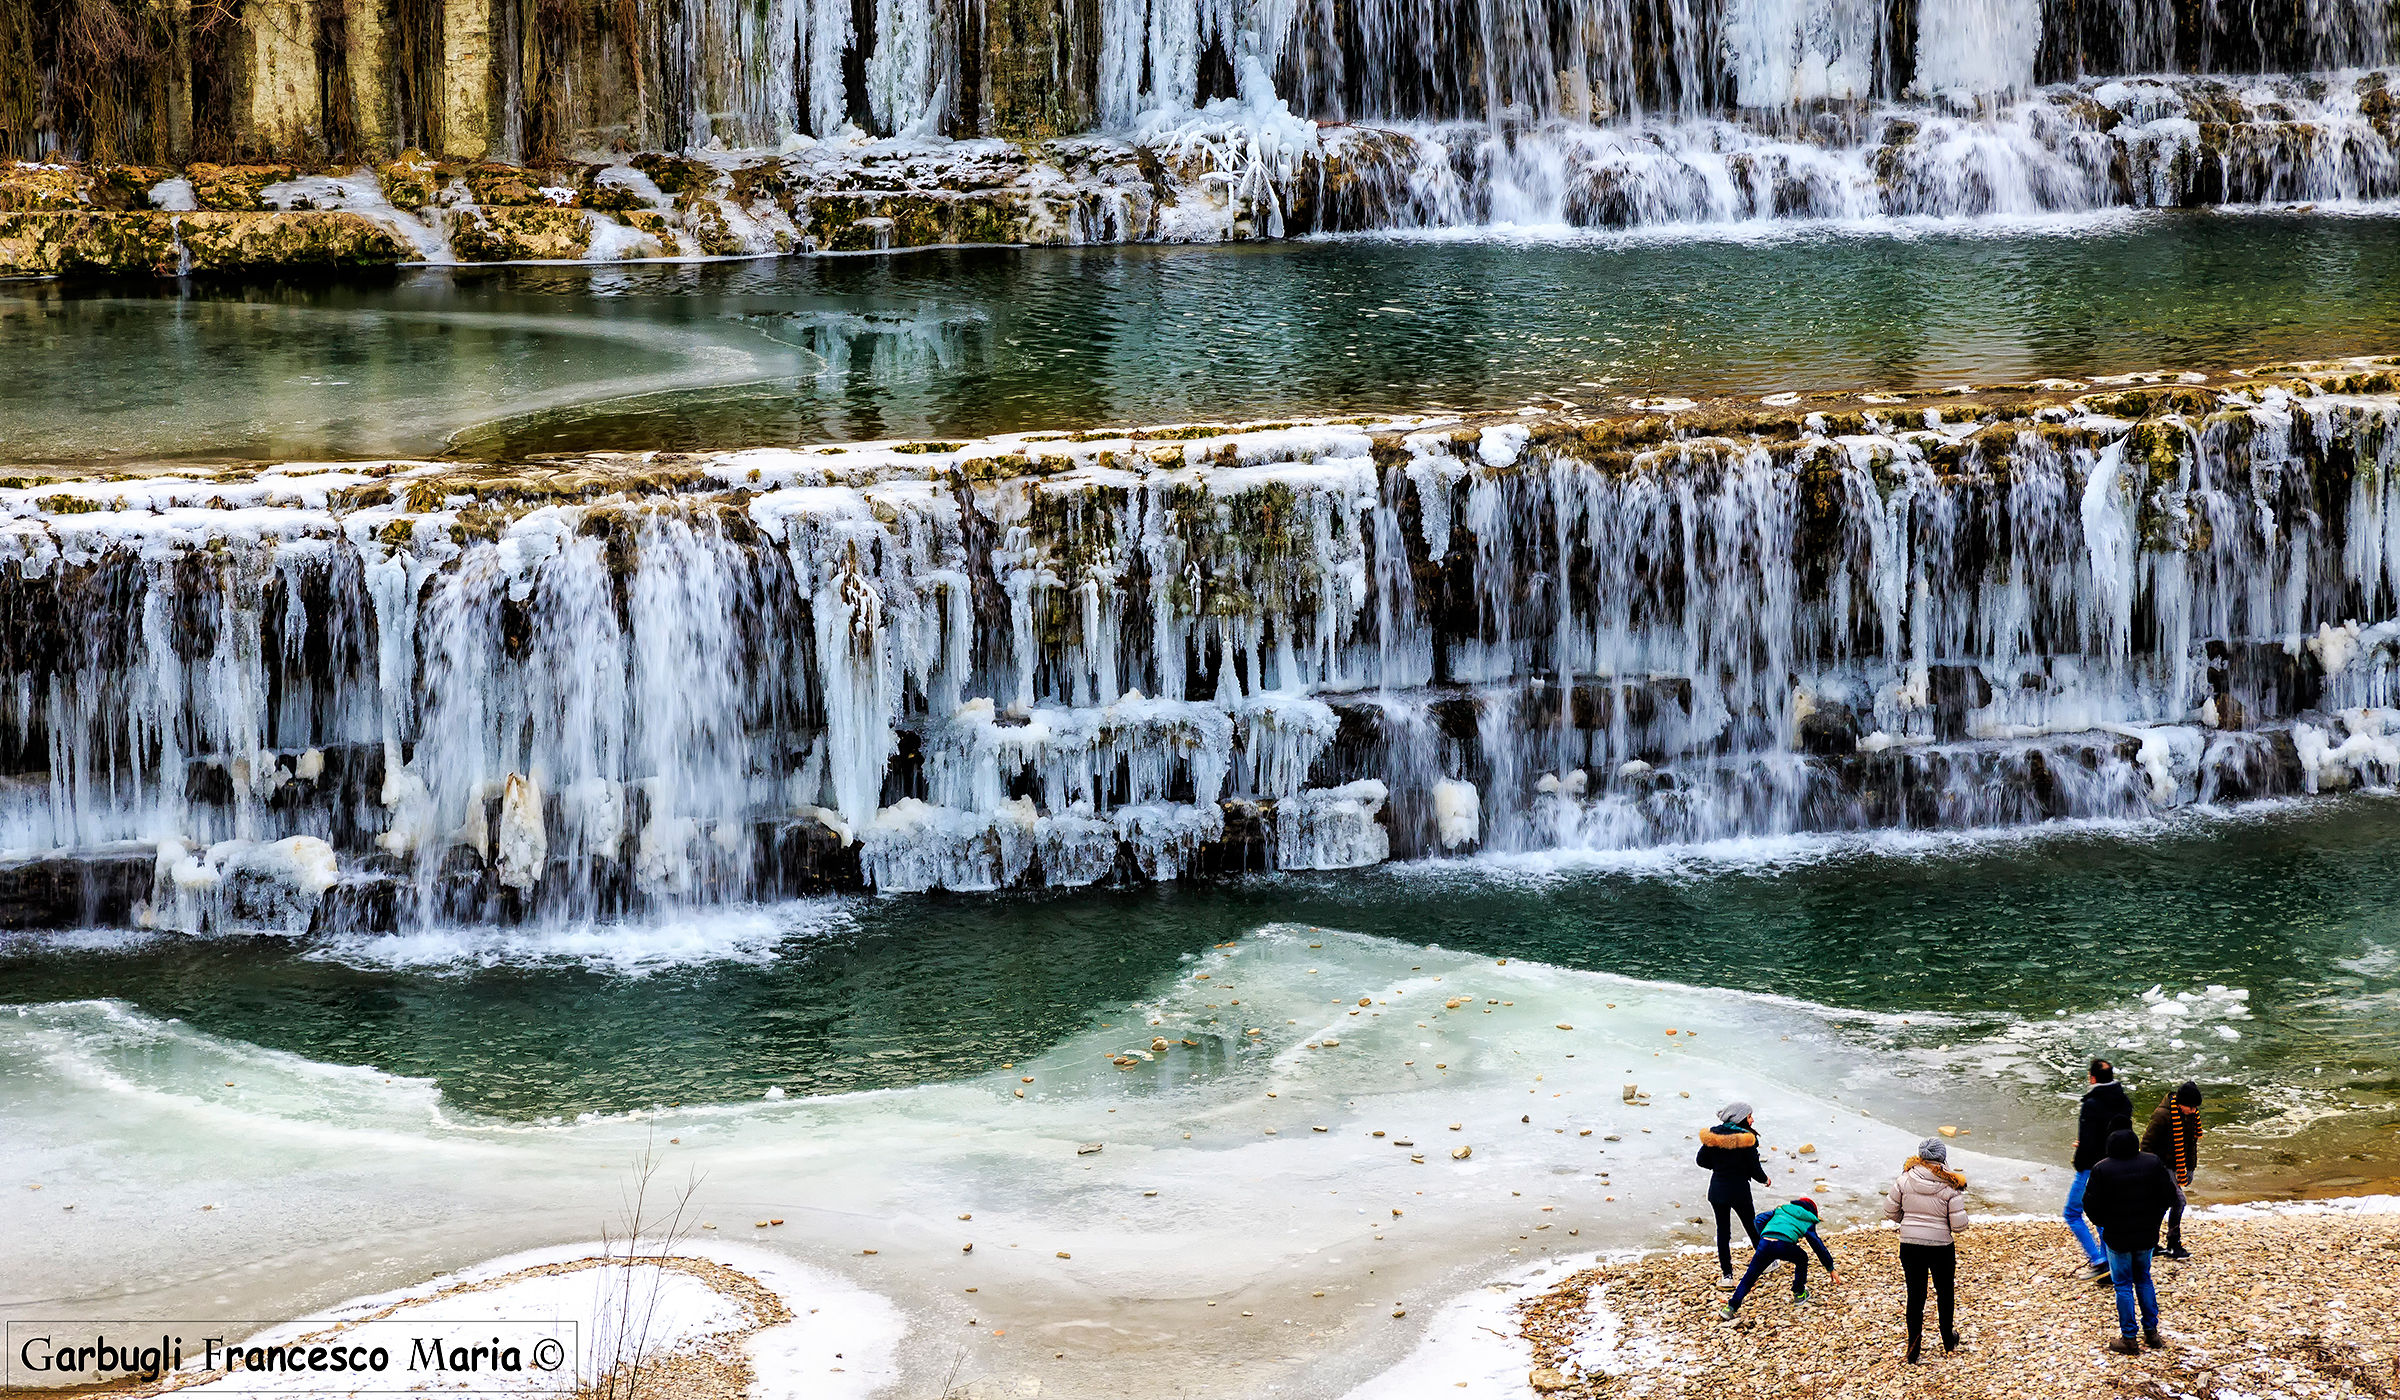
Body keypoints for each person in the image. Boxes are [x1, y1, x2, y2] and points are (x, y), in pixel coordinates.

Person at [2081, 1126, 2180, 1354]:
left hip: (2117, 1237)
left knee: (2123, 1285)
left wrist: (2104, 1223)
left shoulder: (2102, 1168)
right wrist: (2155, 1219)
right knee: (2144, 1279)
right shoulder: (2152, 1162)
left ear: (2110, 1147)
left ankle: (2129, 1338)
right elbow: (2169, 1196)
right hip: (2146, 1234)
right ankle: (2152, 1333)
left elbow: (2090, 1205)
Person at [1883, 1136, 1969, 1363]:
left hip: (1910, 1245)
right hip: (1941, 1247)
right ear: (1943, 1157)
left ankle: (1913, 1350)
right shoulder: (1951, 1185)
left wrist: (1909, 1222)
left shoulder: (1904, 1179)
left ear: (1920, 1156)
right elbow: (1959, 1226)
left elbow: (1890, 1211)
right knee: (1945, 1292)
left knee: (1915, 1295)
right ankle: (1948, 1340)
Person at [2066, 1058, 2133, 1279]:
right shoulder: (2124, 1101)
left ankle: (2098, 1260)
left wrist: (2079, 1161)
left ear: (2092, 1078)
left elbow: (2088, 1139)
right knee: (2103, 1214)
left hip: (2091, 1167)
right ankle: (2110, 1260)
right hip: (2116, 1164)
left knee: (2072, 1213)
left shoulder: (2092, 1104)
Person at [1720, 1197, 1839, 1319]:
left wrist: (1764, 1234)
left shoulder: (1782, 1209)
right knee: (1802, 1258)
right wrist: (1830, 1267)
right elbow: (1817, 1245)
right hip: (1783, 1245)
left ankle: (1731, 1307)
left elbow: (1758, 1219)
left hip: (1765, 1243)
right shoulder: (1808, 1219)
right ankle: (1799, 1293)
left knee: (1750, 1276)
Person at [1695, 1100, 1771, 1288]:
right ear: (1741, 1118)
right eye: (1750, 1116)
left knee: (1723, 1232)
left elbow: (1701, 1160)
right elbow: (1754, 1168)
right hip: (1739, 1190)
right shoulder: (1746, 1140)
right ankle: (1766, 1263)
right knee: (1751, 1225)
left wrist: (1719, 1167)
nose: (1752, 1120)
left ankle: (1727, 1276)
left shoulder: (1713, 1137)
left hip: (1717, 1190)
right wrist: (1765, 1180)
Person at [2141, 1080, 2203, 1260]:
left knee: (2161, 1204)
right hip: (2160, 1166)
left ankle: (2150, 1243)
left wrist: (2190, 1168)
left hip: (2177, 1166)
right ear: (2181, 1102)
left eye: (2195, 1108)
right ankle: (2173, 1244)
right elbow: (2146, 1145)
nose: (2194, 1110)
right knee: (2179, 1201)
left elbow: (2191, 1144)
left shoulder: (2191, 1115)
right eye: (2191, 1107)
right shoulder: (2162, 1115)